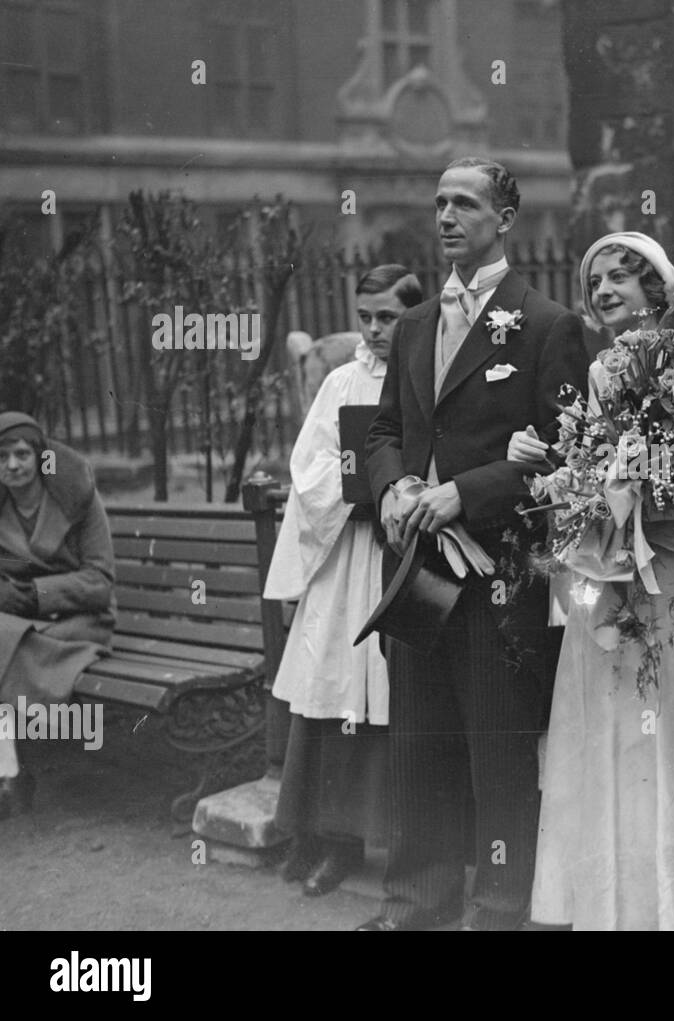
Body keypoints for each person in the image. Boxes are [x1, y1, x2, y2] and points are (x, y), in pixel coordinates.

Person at [509, 231, 674, 930]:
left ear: (655, 285)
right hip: (611, 569)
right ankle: (614, 904)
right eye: (594, 284)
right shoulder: (599, 375)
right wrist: (571, 476)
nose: (601, 293)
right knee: (613, 726)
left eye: (617, 278)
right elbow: (592, 468)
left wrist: (655, 472)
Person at [361, 158, 589, 931]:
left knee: (497, 757)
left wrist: (470, 491)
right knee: (418, 753)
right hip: (418, 571)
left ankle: (498, 911)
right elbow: (386, 428)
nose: (448, 217)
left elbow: (567, 454)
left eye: (465, 204)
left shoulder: (548, 324)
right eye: (440, 204)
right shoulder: (417, 324)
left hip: (500, 578)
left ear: (505, 219)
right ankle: (415, 908)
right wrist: (392, 485)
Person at [263, 265, 422, 896]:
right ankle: (320, 833)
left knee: (381, 693)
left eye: (388, 317)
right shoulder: (341, 381)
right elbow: (311, 464)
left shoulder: (425, 378)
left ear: (413, 315)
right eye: (366, 317)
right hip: (345, 547)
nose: (376, 329)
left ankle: (367, 841)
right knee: (330, 686)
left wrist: (397, 494)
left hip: (397, 550)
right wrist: (353, 492)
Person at [0, 413, 114, 817]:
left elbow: (101, 581)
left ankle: (12, 773)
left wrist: (35, 596)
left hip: (80, 619)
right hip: (22, 626)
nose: (12, 465)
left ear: (40, 457)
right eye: (2, 457)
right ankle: (10, 769)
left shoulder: (77, 498)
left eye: (21, 454)